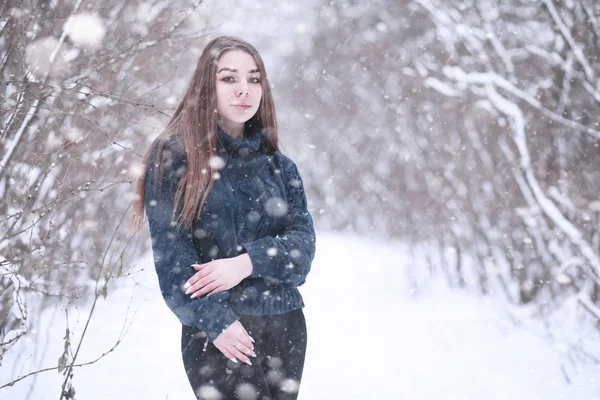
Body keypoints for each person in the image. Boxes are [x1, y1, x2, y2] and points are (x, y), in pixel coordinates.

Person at [131, 36, 316, 400]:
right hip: (217, 333)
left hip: (286, 326)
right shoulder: (174, 157)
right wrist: (217, 323)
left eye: (254, 78)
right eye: (229, 78)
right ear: (207, 86)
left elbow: (303, 253)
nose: (244, 90)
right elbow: (174, 262)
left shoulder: (279, 166)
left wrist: (246, 264)